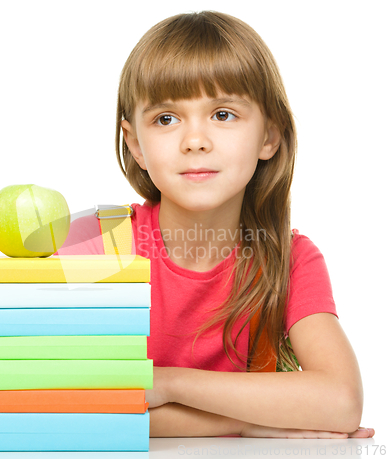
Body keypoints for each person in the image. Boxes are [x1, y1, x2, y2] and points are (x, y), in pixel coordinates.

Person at [56, 11, 374, 439]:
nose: (195, 141)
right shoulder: (94, 243)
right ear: (135, 144)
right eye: (166, 119)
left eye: (223, 115)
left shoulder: (291, 259)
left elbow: (340, 403)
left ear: (269, 136)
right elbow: (65, 406)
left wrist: (167, 383)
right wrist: (248, 421)